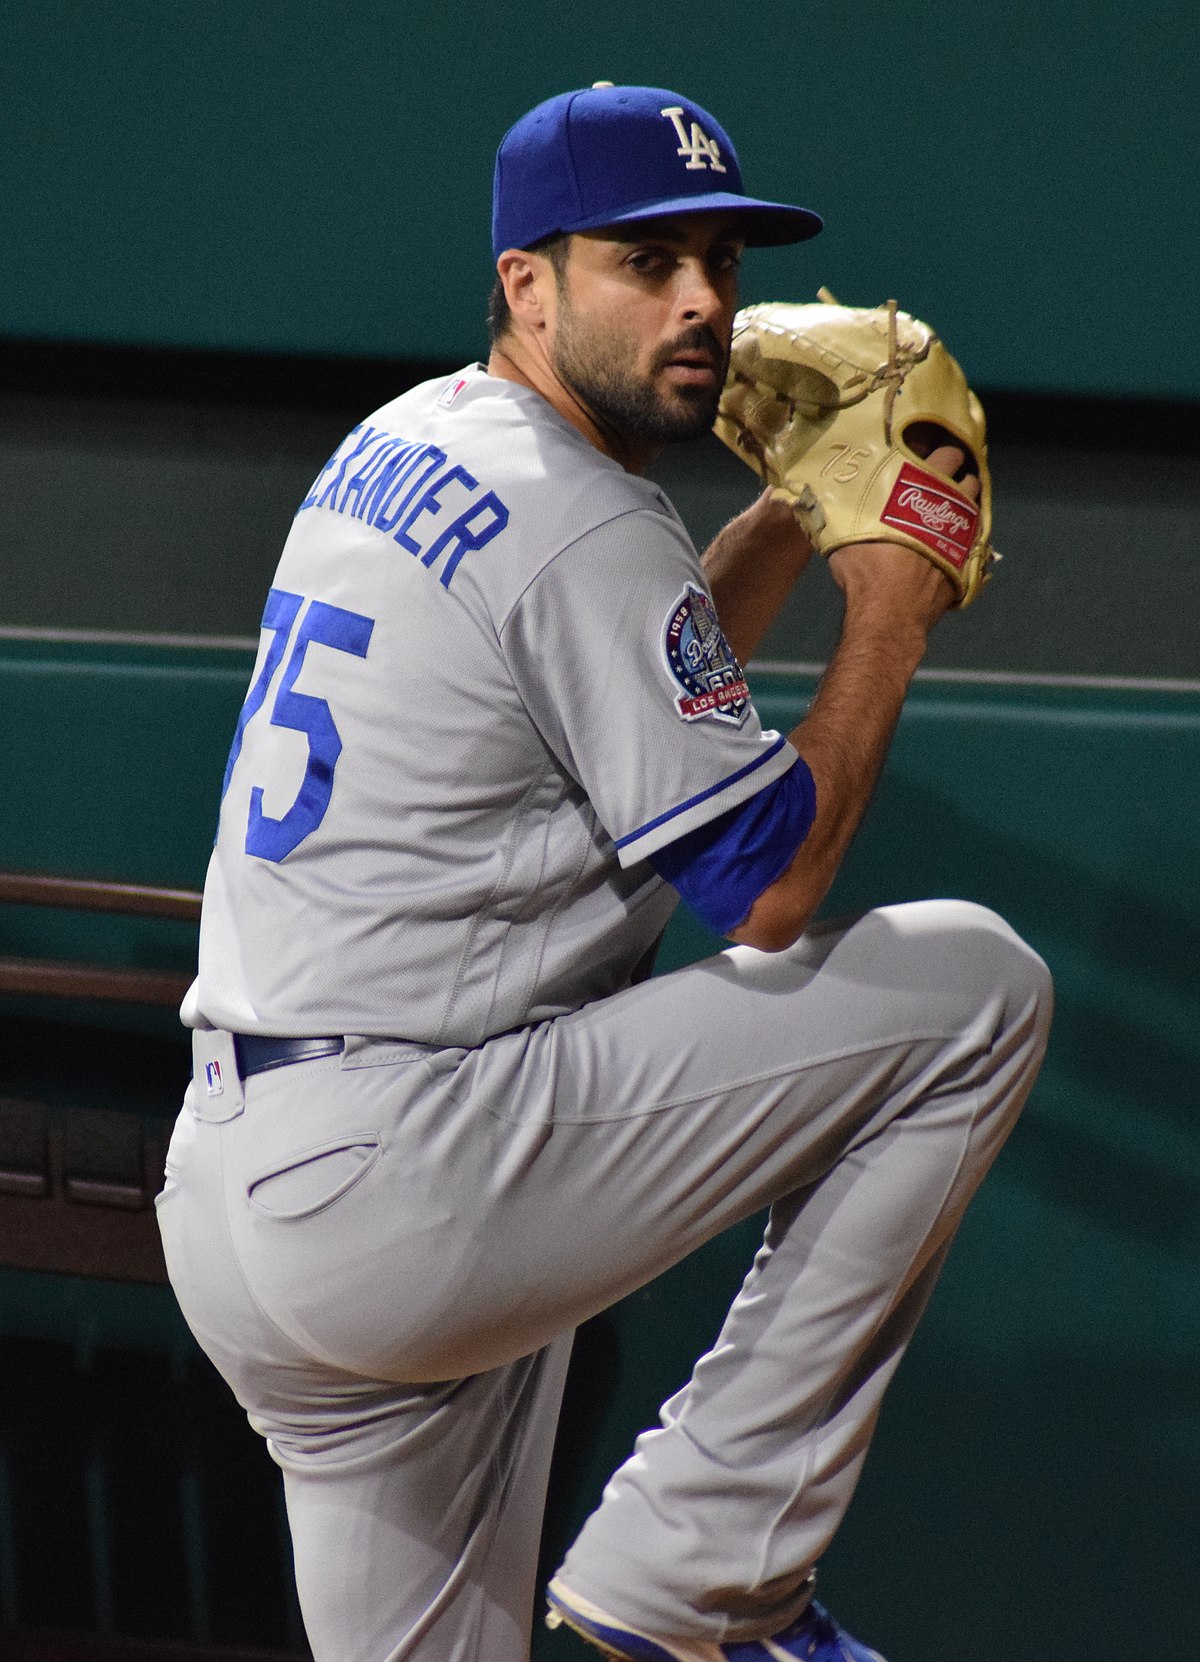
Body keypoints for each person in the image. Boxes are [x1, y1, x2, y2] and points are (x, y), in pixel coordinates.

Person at [156, 83, 1052, 1662]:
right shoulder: (585, 522)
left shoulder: (407, 436)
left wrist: (788, 507)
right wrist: (890, 594)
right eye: (646, 259)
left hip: (242, 1196)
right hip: (412, 1166)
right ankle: (707, 1569)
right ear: (529, 283)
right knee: (977, 988)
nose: (705, 296)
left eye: (717, 255)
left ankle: (695, 1569)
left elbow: (618, 696)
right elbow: (765, 885)